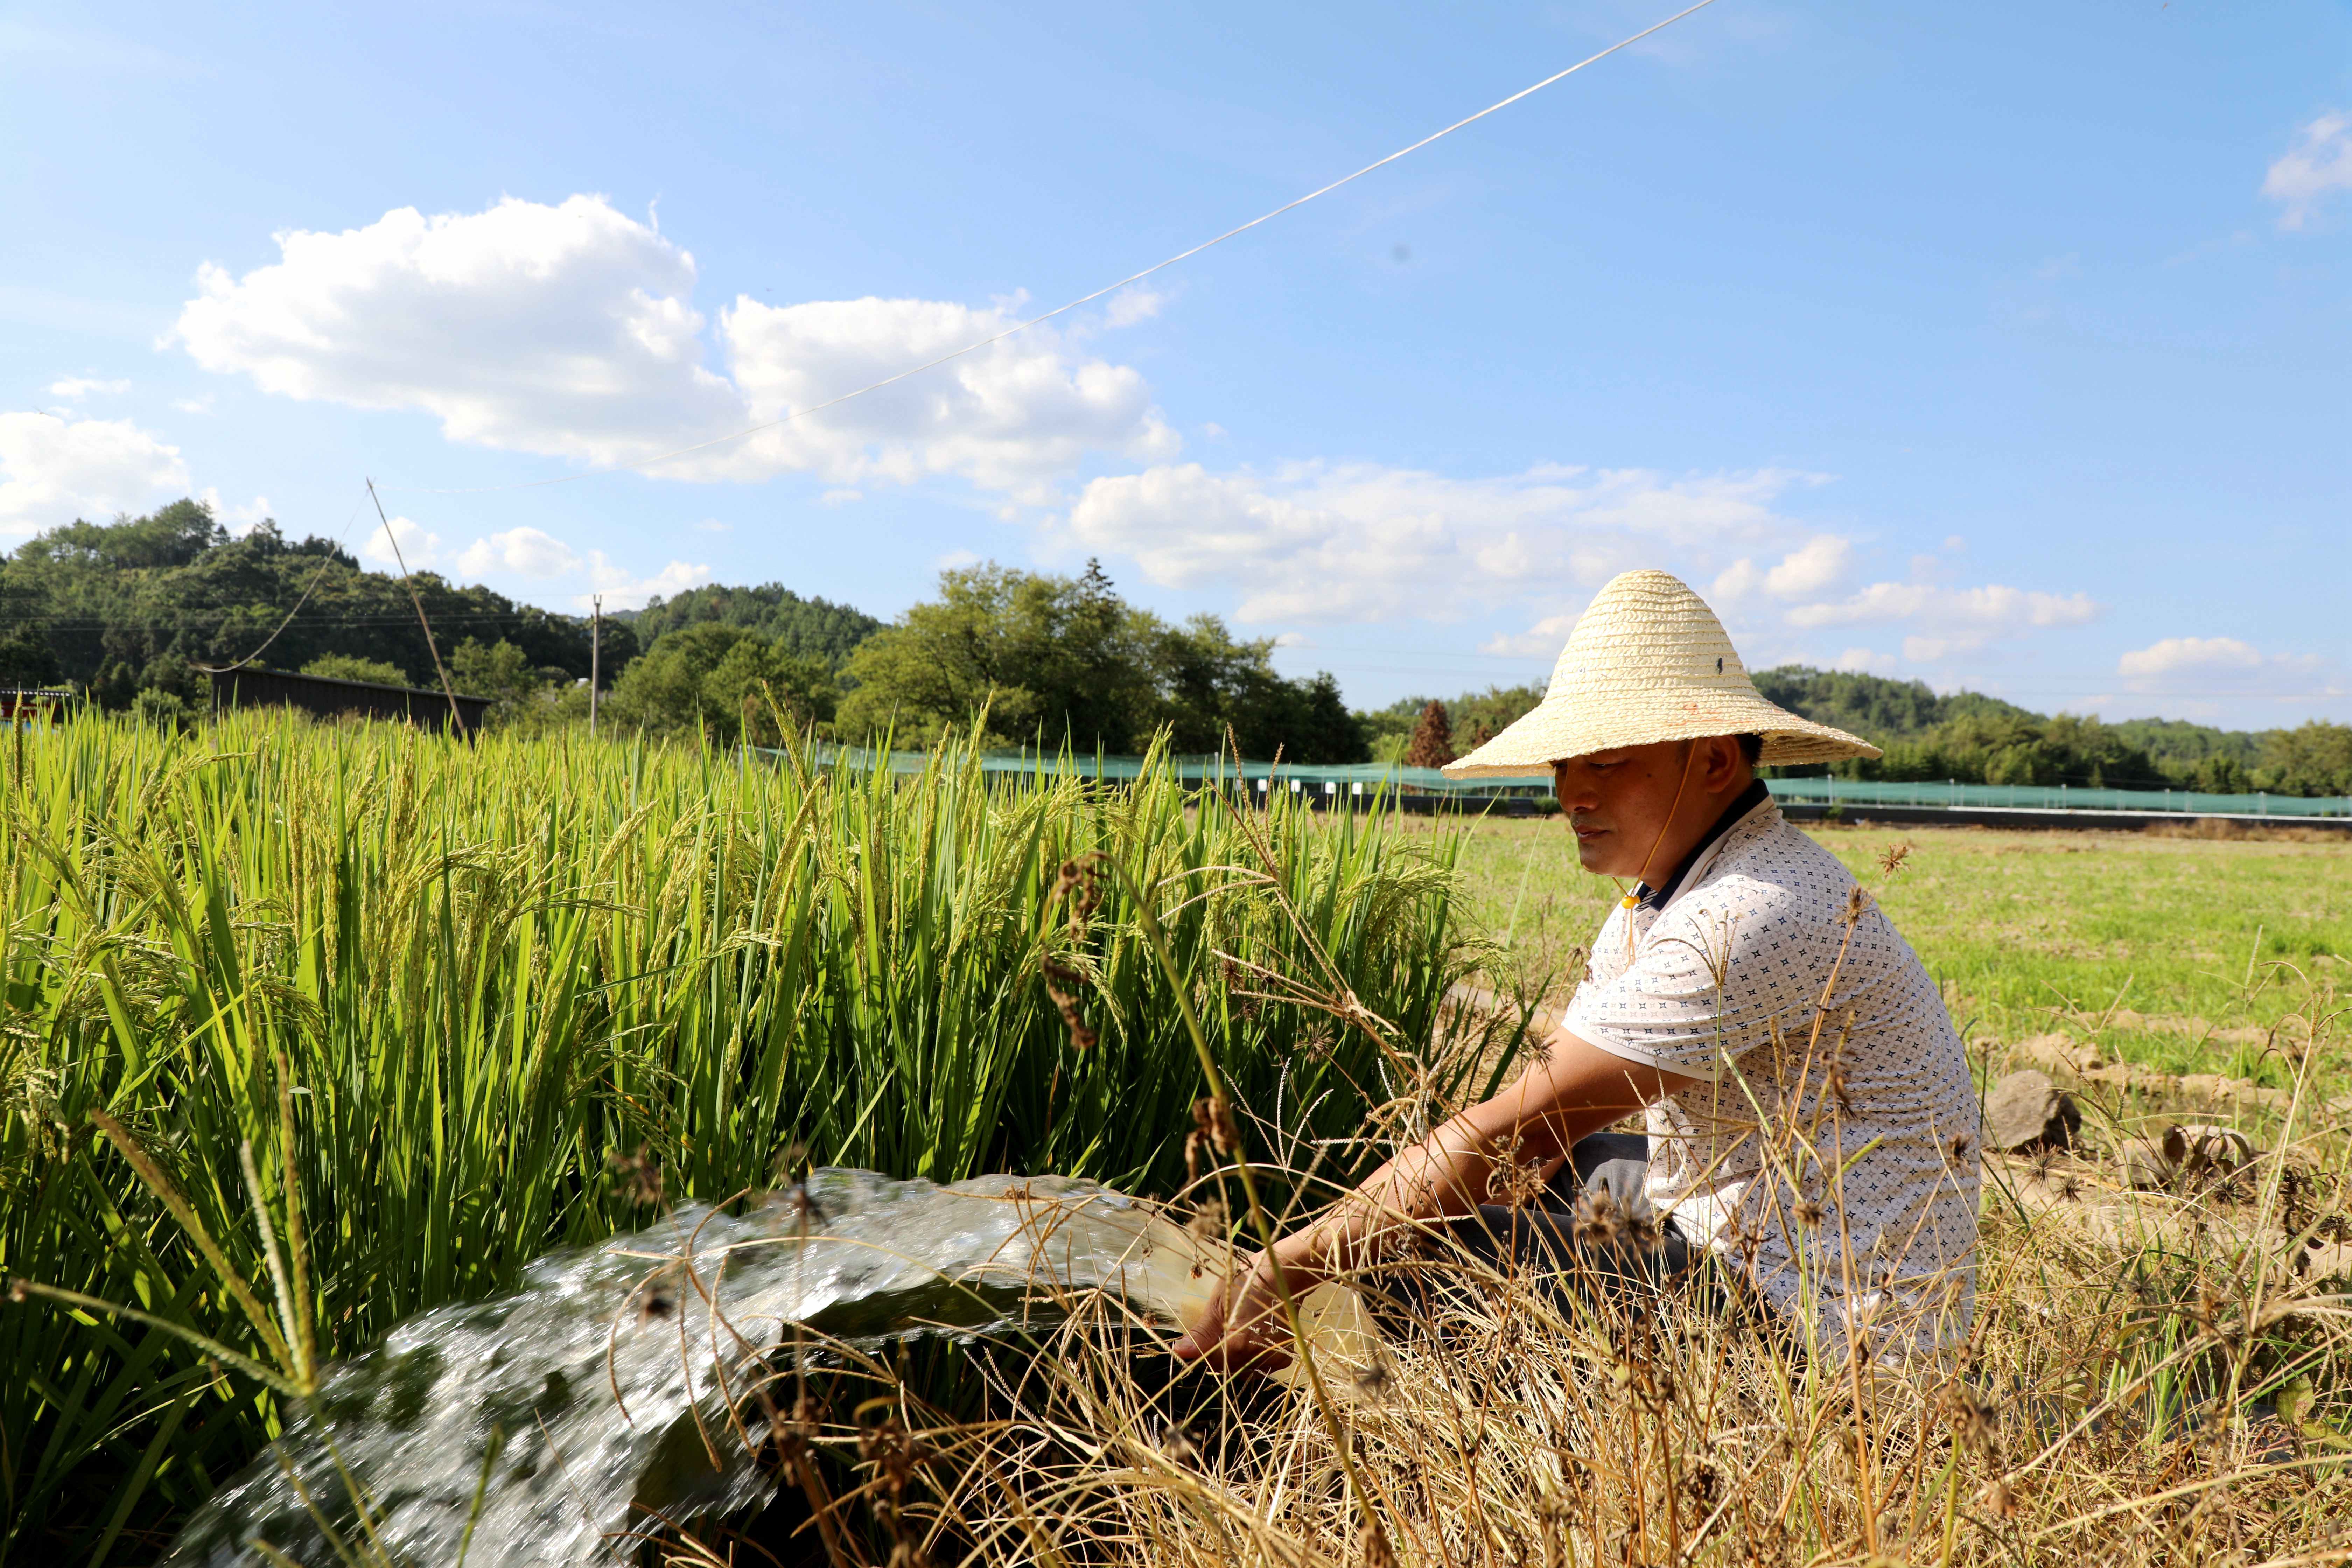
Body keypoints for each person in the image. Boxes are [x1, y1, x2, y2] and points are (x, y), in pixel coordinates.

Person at [1172, 569, 1981, 1370]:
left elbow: (1517, 1128)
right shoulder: (1656, 901)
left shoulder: (1751, 910)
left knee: (1439, 1240)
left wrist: (1294, 1268)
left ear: (1712, 762)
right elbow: (1540, 1132)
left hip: (1829, 1330)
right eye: (1564, 764)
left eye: (1607, 762)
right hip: (1738, 1237)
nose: (1571, 793)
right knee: (1533, 1179)